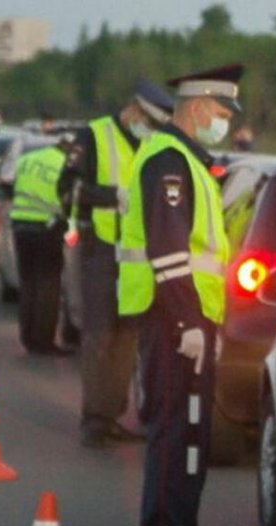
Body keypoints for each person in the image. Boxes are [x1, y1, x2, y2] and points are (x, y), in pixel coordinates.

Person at [118, 63, 241, 526]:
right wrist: (189, 322)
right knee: (178, 439)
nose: (225, 122)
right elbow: (169, 253)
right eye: (220, 111)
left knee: (184, 436)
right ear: (194, 108)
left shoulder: (187, 161)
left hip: (186, 321)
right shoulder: (169, 163)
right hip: (175, 324)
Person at [58, 78, 174, 449]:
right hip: (100, 248)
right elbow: (68, 188)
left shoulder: (151, 143)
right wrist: (111, 196)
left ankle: (111, 413)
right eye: (148, 122)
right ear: (136, 111)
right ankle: (94, 419)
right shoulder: (93, 136)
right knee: (99, 334)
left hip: (137, 255)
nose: (150, 131)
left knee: (127, 337)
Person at [10, 134, 73, 356]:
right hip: (47, 227)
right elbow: (68, 199)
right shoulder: (65, 165)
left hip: (20, 224)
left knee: (28, 284)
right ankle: (43, 340)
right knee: (48, 285)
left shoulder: (29, 159)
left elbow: (8, 182)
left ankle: (27, 336)